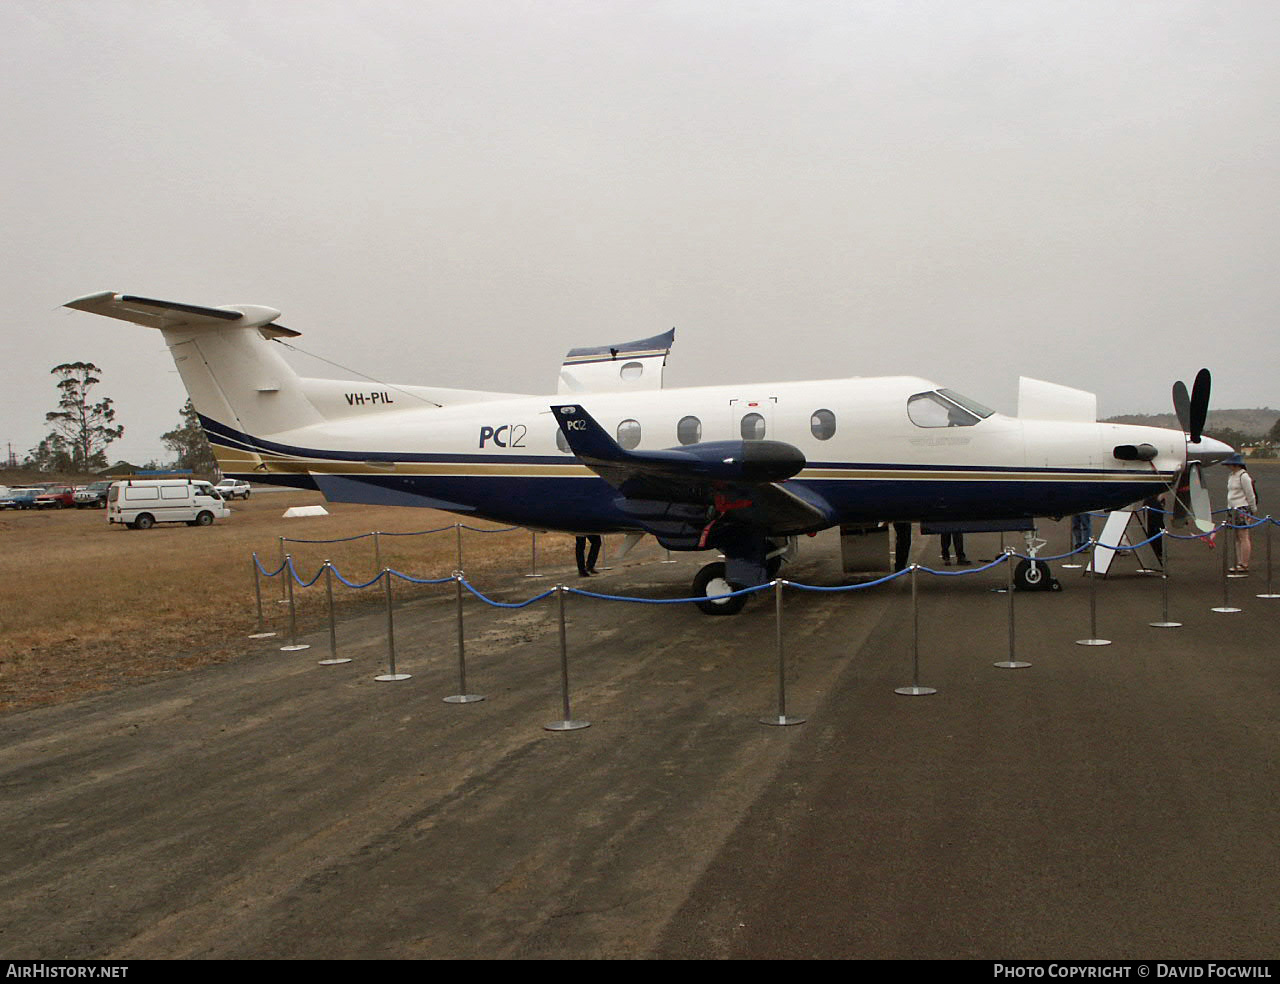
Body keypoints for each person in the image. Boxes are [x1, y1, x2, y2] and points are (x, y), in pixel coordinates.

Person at [1223, 454, 1258, 573]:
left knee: (1243, 536)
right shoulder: (1232, 475)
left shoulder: (1244, 476)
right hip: (1232, 508)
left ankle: (1244, 563)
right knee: (1237, 537)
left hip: (1242, 508)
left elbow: (1250, 494)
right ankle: (1239, 561)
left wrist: (1252, 509)